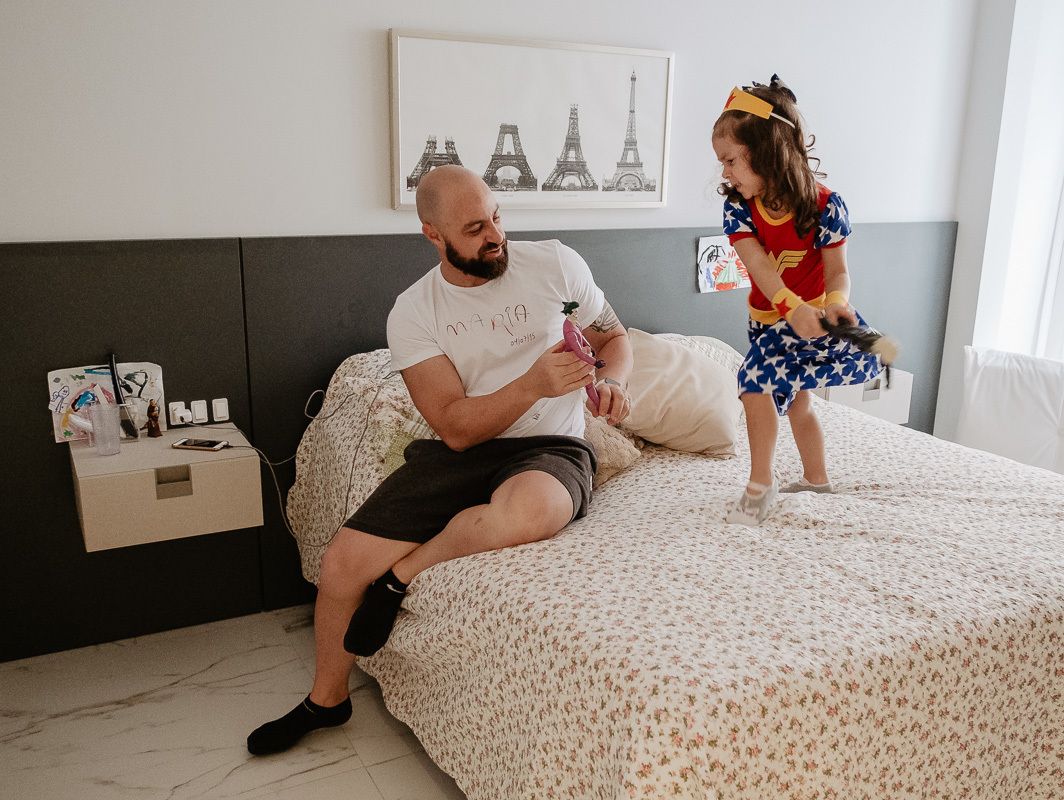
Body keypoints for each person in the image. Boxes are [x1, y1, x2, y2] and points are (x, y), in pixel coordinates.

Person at [247, 165, 633, 755]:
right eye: (475, 228)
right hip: (467, 448)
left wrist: (614, 383)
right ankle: (327, 698)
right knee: (343, 561)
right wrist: (532, 384)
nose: (495, 235)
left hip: (553, 448)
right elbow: (453, 427)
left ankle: (400, 578)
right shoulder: (414, 312)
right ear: (434, 235)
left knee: (528, 512)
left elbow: (612, 339)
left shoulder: (556, 264)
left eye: (498, 217)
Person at [712, 75, 881, 526]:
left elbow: (837, 270)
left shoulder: (827, 205)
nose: (724, 173)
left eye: (730, 161)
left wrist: (837, 302)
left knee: (753, 385)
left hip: (812, 321)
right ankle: (816, 477)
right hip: (773, 318)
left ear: (766, 154)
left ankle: (761, 485)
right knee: (797, 400)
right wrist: (793, 309)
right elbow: (760, 269)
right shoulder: (739, 208)